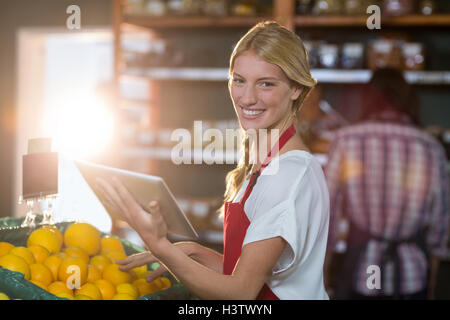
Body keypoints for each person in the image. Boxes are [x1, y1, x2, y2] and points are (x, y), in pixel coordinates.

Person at [96, 21, 330, 300]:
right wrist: (196, 253)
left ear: (295, 89)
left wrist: (162, 247)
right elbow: (261, 274)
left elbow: (241, 292)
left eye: (266, 84)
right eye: (239, 80)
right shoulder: (269, 162)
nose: (247, 97)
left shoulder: (287, 176)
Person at [324, 68, 450, 300]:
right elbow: (441, 224)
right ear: (409, 100)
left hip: (360, 271)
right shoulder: (431, 147)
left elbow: (327, 211)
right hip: (412, 274)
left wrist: (324, 271)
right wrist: (432, 283)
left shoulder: (346, 140)